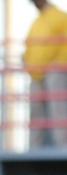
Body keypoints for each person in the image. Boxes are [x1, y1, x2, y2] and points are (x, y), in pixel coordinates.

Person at [25, 0, 67, 148]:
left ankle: (63, 145)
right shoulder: (36, 23)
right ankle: (34, 148)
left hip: (56, 70)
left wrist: (55, 64)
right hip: (36, 73)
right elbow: (29, 47)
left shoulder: (60, 17)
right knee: (35, 112)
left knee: (58, 109)